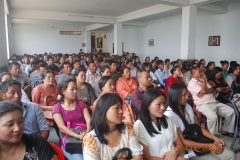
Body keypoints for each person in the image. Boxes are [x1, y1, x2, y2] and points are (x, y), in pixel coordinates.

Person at [165, 83, 236, 160]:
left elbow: (198, 127)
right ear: (175, 96)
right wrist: (209, 146)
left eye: (187, 93)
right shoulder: (170, 115)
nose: (187, 96)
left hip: (200, 140)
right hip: (189, 149)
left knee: (231, 155)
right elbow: (183, 142)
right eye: (184, 95)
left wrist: (214, 138)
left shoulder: (187, 106)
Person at [83, 93, 143, 160]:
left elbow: (138, 157)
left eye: (121, 107)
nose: (121, 111)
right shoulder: (91, 139)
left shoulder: (128, 129)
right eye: (116, 108)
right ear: (104, 111)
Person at [134, 89, 185, 160]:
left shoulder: (168, 120)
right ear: (147, 105)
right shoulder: (139, 125)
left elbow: (180, 145)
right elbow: (146, 157)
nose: (163, 107)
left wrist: (175, 152)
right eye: (158, 104)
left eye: (164, 103)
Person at [187, 67, 235, 135]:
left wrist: (203, 92)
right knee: (213, 117)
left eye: (201, 71)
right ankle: (211, 135)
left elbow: (212, 89)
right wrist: (204, 82)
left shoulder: (203, 79)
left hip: (213, 101)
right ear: (193, 73)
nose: (202, 73)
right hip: (202, 104)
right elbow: (204, 90)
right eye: (199, 72)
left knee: (231, 112)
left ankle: (226, 130)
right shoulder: (192, 84)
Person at [52, 78, 91, 160]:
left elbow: (89, 120)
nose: (75, 91)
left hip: (86, 137)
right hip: (70, 141)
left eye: (76, 89)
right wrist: (77, 136)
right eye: (72, 89)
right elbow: (62, 128)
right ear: (63, 91)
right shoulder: (57, 107)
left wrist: (86, 133)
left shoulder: (81, 103)